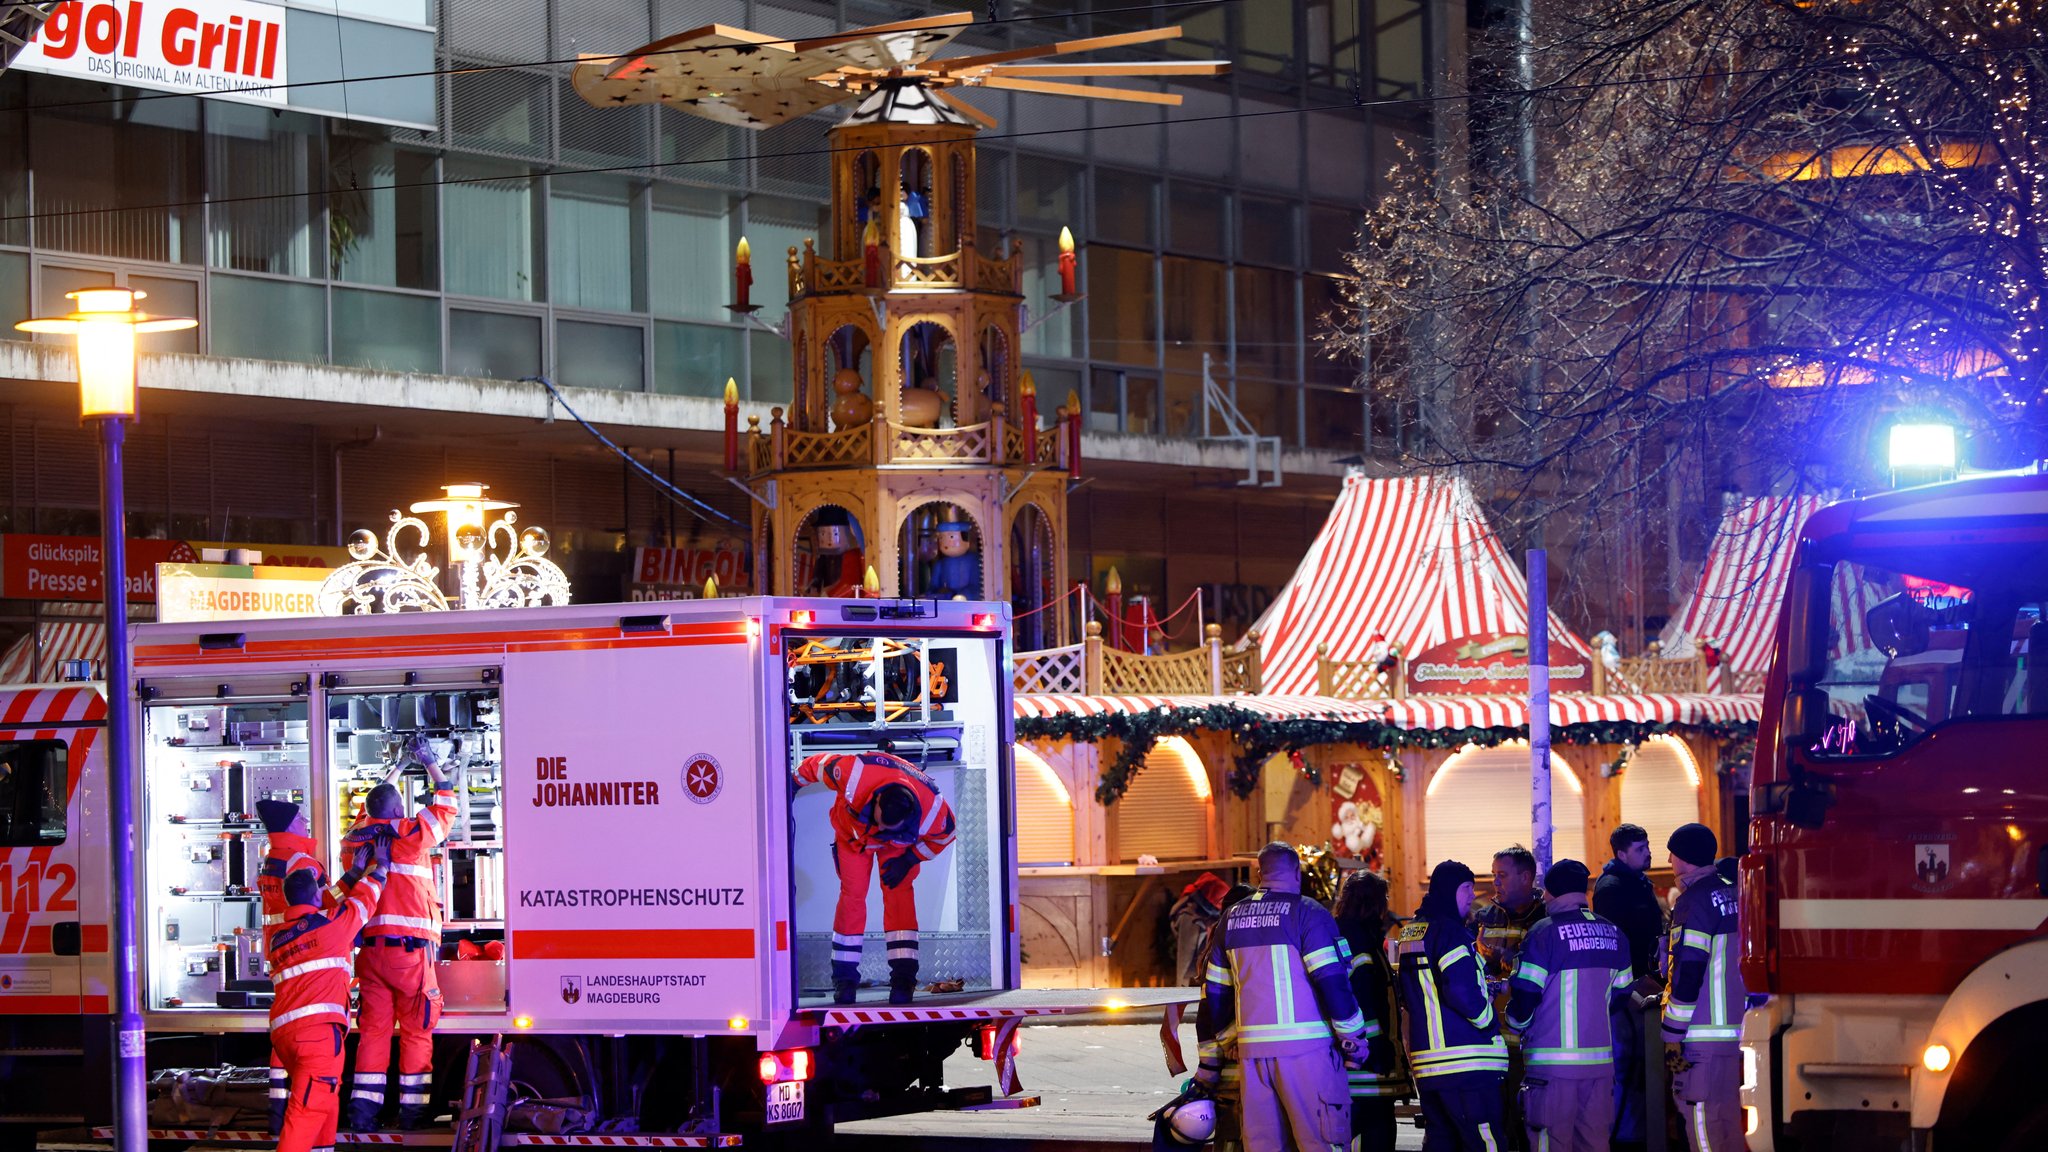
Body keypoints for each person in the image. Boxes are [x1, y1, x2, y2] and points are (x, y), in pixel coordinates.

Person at [1195, 843, 1367, 1152]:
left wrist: (1227, 1040)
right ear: (1297, 873)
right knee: (1320, 1142)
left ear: (1260, 873)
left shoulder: (1231, 918)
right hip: (1307, 1052)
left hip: (1252, 1058)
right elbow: (1333, 981)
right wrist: (1353, 1039)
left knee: (1263, 1145)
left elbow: (1216, 991)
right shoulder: (1308, 913)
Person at [343, 736, 458, 1131]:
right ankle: (413, 1113)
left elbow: (370, 806)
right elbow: (445, 806)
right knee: (416, 1031)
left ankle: (362, 1114)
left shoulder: (355, 838)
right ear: (397, 809)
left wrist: (396, 767)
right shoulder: (409, 836)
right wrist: (427, 762)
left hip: (371, 956)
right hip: (410, 957)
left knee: (373, 1033)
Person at [792, 749, 956, 1005]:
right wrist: (792, 785)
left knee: (899, 895)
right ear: (877, 800)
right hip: (853, 839)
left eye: (886, 828)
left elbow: (945, 837)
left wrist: (910, 858)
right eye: (878, 822)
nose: (879, 830)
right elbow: (817, 765)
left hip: (897, 847)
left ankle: (903, 980)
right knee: (852, 897)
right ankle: (844, 981)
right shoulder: (853, 773)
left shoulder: (933, 810)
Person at [1506, 859, 1633, 1152]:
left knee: (1551, 1144)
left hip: (1552, 1069)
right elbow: (1622, 995)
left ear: (1550, 893)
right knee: (1595, 1143)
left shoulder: (1543, 933)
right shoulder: (1614, 933)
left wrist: (1515, 1024)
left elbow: (1526, 995)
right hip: (1600, 1066)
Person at [271, 861, 386, 1152]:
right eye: (320, 889)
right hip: (317, 1035)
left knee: (324, 1102)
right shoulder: (330, 925)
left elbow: (321, 904)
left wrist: (350, 875)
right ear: (315, 897)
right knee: (307, 1111)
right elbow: (363, 904)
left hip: (287, 1035)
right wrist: (379, 868)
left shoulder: (280, 936)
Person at [1397, 860, 1509, 1152]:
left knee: (1441, 1141)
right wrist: (1488, 1021)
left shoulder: (1412, 932)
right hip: (1465, 1062)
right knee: (1484, 1141)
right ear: (1450, 890)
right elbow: (1460, 990)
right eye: (1467, 888)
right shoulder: (1450, 933)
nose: (1472, 896)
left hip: (1428, 1064)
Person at [1661, 824, 1745, 1152]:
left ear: (1685, 858)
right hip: (1738, 1031)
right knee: (1730, 1120)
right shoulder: (1736, 893)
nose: (1668, 859)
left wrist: (1672, 1035)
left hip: (1701, 1037)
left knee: (1701, 1119)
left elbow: (1689, 970)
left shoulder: (1693, 902)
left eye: (1673, 853)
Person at [256, 799, 327, 1134]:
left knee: (286, 1022)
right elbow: (323, 904)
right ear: (288, 826)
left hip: (280, 949)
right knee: (303, 1029)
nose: (305, 821)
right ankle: (295, 1112)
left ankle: (277, 1109)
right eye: (300, 818)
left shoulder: (273, 858)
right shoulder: (301, 860)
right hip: (303, 948)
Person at [1592, 824, 1665, 1150]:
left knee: (1641, 1066)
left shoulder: (1639, 883)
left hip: (1646, 985)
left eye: (1647, 846)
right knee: (1627, 1066)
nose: (1648, 852)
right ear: (1621, 854)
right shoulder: (1611, 888)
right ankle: (1625, 1138)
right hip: (1627, 992)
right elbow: (1616, 942)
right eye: (1640, 848)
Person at [1333, 871, 1408, 1152]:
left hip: (1345, 1063)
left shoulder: (1338, 934)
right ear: (1373, 903)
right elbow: (1367, 998)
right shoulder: (1363, 942)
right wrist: (1380, 1048)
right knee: (1378, 1135)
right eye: (1384, 898)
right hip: (1370, 1067)